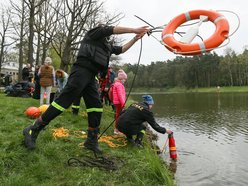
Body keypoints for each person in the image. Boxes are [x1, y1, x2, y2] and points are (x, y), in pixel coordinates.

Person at [22, 24, 150, 154]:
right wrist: (134, 29)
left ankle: (91, 141)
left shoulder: (107, 47)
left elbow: (121, 49)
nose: (107, 34)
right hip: (81, 71)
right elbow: (110, 29)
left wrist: (135, 38)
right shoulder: (94, 33)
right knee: (63, 102)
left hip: (91, 76)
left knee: (96, 107)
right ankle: (33, 129)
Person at [112, 69, 127, 134]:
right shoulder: (119, 85)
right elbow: (120, 95)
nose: (125, 80)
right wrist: (123, 103)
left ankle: (117, 129)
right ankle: (117, 130)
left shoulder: (117, 83)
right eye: (124, 79)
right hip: (119, 103)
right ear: (121, 78)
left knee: (118, 116)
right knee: (119, 116)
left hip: (117, 102)